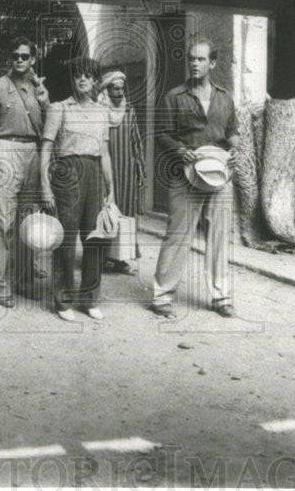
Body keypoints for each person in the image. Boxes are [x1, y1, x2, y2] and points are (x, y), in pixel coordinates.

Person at [151, 40, 239, 318]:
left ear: (212, 63)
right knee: (177, 234)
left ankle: (221, 297)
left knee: (220, 235)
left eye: (201, 59)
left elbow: (231, 131)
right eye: (191, 59)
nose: (194, 63)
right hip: (186, 175)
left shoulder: (225, 97)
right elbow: (162, 133)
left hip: (219, 174)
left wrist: (235, 148)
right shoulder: (174, 96)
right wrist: (180, 150)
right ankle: (162, 296)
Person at [0, 36, 49, 309]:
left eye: (25, 56)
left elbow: (51, 129)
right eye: (15, 55)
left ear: (33, 59)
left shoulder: (39, 89)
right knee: (3, 223)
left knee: (27, 223)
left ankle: (25, 281)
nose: (19, 60)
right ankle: (2, 286)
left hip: (33, 153)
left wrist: (45, 100)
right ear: (10, 58)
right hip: (4, 149)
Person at [40, 57, 115, 322]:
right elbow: (47, 149)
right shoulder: (59, 108)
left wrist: (111, 190)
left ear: (95, 81)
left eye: (87, 76)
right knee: (66, 238)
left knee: (95, 239)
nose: (81, 79)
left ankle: (90, 299)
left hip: (94, 173)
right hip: (67, 174)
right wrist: (45, 186)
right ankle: (63, 301)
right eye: (78, 75)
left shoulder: (102, 112)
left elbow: (104, 153)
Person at [99, 70, 145, 275]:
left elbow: (136, 142)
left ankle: (121, 260)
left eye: (121, 88)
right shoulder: (98, 111)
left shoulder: (129, 111)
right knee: (104, 212)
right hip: (105, 169)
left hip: (126, 168)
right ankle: (100, 258)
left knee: (125, 211)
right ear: (106, 89)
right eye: (114, 88)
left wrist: (140, 171)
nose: (118, 92)